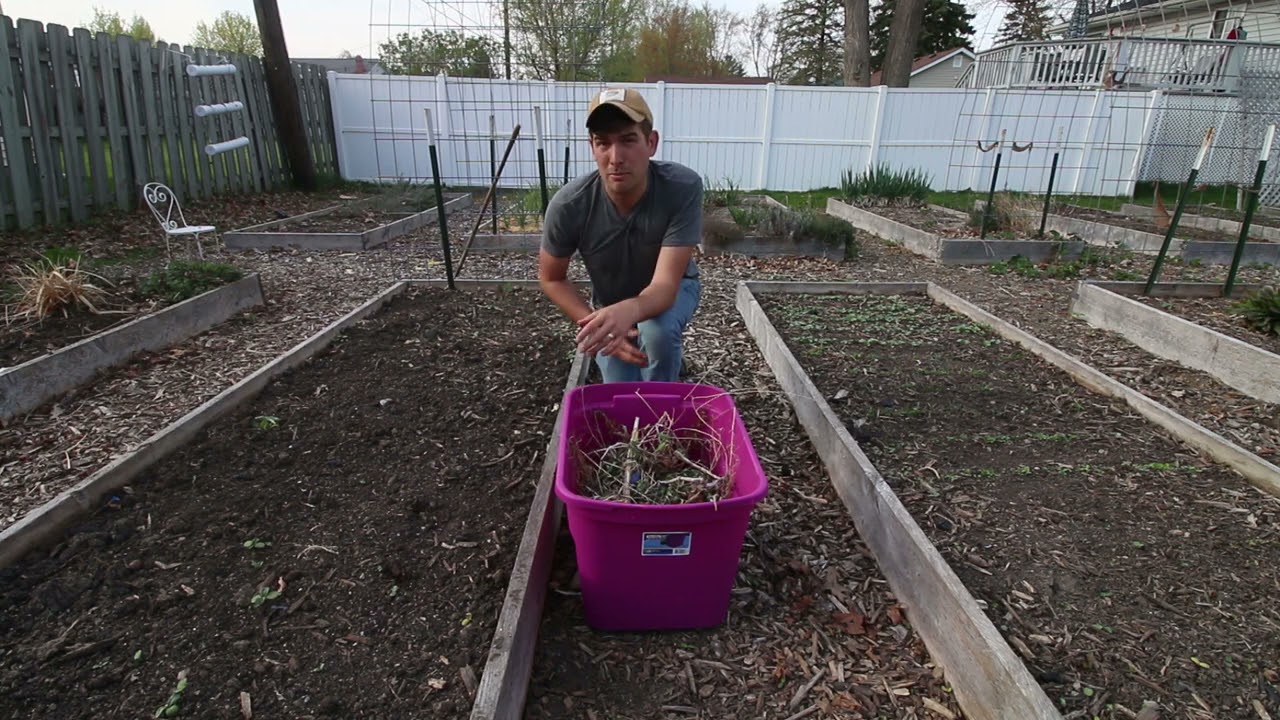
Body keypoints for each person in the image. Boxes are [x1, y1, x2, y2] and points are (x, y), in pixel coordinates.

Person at [538, 87, 703, 383]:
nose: (616, 158)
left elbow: (665, 286)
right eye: (603, 143)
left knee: (657, 333)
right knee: (621, 386)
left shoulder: (681, 187)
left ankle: (662, 413)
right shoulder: (569, 205)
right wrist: (594, 325)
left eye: (628, 140)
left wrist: (629, 312)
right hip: (610, 302)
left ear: (651, 143)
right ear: (592, 146)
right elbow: (551, 277)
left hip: (675, 289)